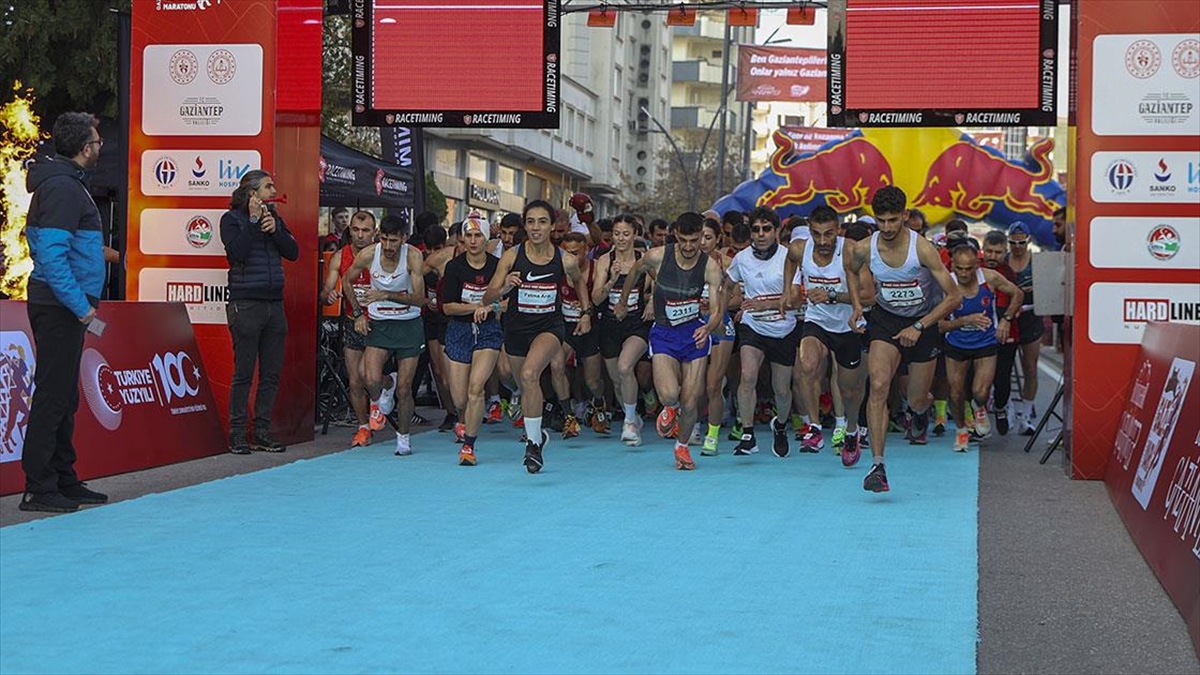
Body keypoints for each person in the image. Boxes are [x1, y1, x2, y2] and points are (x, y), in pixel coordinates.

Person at [19, 112, 109, 513]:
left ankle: (63, 478)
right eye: (96, 140)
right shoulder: (62, 188)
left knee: (64, 396)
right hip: (60, 307)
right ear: (83, 147)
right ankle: (39, 487)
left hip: (64, 305)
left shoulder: (66, 184)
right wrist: (81, 308)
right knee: (53, 396)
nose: (101, 145)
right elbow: (52, 257)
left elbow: (51, 245)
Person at [846, 186, 960, 493]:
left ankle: (919, 413)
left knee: (917, 397)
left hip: (923, 322)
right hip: (885, 320)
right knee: (879, 384)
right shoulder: (863, 248)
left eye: (893, 221)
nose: (886, 228)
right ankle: (878, 465)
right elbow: (850, 268)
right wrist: (857, 305)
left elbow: (953, 297)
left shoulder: (922, 249)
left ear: (905, 217)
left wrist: (920, 327)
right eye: (881, 221)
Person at [482, 200, 593, 474]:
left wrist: (586, 312)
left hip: (549, 327)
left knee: (531, 374)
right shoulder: (511, 257)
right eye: (530, 221)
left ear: (552, 226)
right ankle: (539, 435)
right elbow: (488, 296)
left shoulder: (564, 259)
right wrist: (505, 287)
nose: (536, 227)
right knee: (523, 384)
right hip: (517, 328)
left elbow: (578, 280)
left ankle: (532, 444)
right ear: (525, 224)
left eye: (542, 221)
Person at [616, 212, 725, 470]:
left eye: (695, 240)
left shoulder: (709, 266)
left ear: (702, 237)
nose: (689, 247)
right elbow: (634, 271)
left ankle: (682, 447)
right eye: (684, 240)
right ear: (676, 236)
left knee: (691, 400)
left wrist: (708, 327)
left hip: (694, 334)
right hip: (664, 332)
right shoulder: (657, 256)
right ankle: (670, 408)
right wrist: (623, 301)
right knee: (668, 395)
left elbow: (717, 309)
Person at [783, 205, 869, 466]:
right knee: (807, 366)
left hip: (848, 326)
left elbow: (869, 295)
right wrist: (789, 290)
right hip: (816, 320)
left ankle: (851, 430)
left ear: (838, 231)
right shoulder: (800, 248)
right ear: (810, 231)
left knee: (849, 388)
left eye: (829, 234)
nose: (822, 242)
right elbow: (790, 262)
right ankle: (815, 427)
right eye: (817, 234)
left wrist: (832, 296)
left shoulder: (851, 251)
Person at [221, 169, 299, 455]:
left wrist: (275, 230)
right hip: (246, 304)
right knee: (243, 373)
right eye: (268, 187)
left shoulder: (274, 219)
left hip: (273, 304)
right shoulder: (231, 220)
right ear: (252, 193)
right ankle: (237, 434)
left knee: (271, 373)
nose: (273, 191)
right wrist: (253, 224)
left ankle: (262, 431)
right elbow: (237, 254)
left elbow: (293, 252)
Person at [341, 215, 427, 457]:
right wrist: (358, 314)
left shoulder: (413, 256)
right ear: (379, 236)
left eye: (394, 241)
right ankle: (385, 385)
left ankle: (403, 436)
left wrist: (385, 296)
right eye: (385, 240)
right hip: (380, 323)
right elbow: (346, 281)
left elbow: (421, 299)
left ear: (404, 238)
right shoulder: (369, 254)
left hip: (408, 324)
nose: (389, 247)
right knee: (368, 378)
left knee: (406, 388)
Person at [725, 206, 799, 458]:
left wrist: (764, 304)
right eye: (756, 229)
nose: (761, 234)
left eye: (767, 229)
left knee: (781, 389)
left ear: (777, 231)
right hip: (752, 326)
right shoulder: (742, 258)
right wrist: (719, 309)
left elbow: (797, 299)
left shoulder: (789, 258)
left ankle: (780, 426)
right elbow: (726, 285)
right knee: (747, 375)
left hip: (783, 329)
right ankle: (747, 433)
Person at [940, 244, 1024, 452]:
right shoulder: (947, 284)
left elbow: (1018, 293)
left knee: (980, 390)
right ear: (953, 266)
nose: (964, 273)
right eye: (959, 268)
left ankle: (980, 408)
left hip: (985, 342)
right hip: (956, 343)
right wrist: (964, 320)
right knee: (957, 393)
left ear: (977, 265)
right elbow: (940, 325)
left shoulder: (990, 278)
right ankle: (961, 430)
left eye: (969, 269)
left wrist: (1005, 320)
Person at [440, 215, 504, 465]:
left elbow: (508, 301)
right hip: (459, 331)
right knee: (460, 399)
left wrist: (490, 307)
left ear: (487, 238)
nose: (474, 240)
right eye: (469, 236)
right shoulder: (454, 267)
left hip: (488, 331)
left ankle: (469, 446)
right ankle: (464, 421)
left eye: (478, 236)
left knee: (476, 388)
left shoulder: (497, 266)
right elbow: (447, 307)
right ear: (462, 239)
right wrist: (476, 306)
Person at [320, 211, 385, 448]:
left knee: (370, 376)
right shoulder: (340, 257)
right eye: (356, 230)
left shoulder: (383, 255)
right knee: (355, 380)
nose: (360, 235)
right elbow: (326, 291)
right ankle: (363, 427)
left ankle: (385, 389)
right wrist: (330, 296)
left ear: (374, 233)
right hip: (352, 321)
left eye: (365, 230)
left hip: (378, 322)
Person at [591, 215, 652, 446]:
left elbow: (660, 285)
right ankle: (633, 415)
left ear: (635, 235)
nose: (621, 239)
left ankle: (628, 423)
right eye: (617, 234)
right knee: (617, 379)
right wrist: (611, 281)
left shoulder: (644, 259)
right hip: (609, 325)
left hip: (636, 324)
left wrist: (651, 300)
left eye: (626, 234)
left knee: (626, 366)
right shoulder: (605, 261)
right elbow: (596, 299)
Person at [697, 218, 737, 455]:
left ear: (718, 239)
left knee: (713, 385)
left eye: (708, 237)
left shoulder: (728, 263)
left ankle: (712, 435)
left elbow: (738, 297)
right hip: (692, 323)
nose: (702, 242)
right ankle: (691, 425)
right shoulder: (686, 262)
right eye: (699, 237)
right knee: (693, 384)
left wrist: (717, 306)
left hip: (721, 324)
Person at [980, 230, 1022, 435]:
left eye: (997, 252)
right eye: (989, 251)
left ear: (1005, 252)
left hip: (1005, 331)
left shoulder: (1008, 273)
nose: (992, 256)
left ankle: (1000, 408)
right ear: (983, 250)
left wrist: (1006, 320)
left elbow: (1016, 297)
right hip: (978, 332)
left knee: (1002, 377)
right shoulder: (973, 268)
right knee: (975, 378)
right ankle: (976, 415)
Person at [1005, 221, 1042, 435]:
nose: (1017, 247)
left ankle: (1026, 416)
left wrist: (1033, 290)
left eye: (1021, 243)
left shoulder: (1036, 263)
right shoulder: (1003, 261)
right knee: (1004, 369)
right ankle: (1009, 409)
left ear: (1028, 242)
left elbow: (1048, 288)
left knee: (1030, 367)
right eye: (1013, 243)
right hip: (1009, 319)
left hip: (1031, 317)